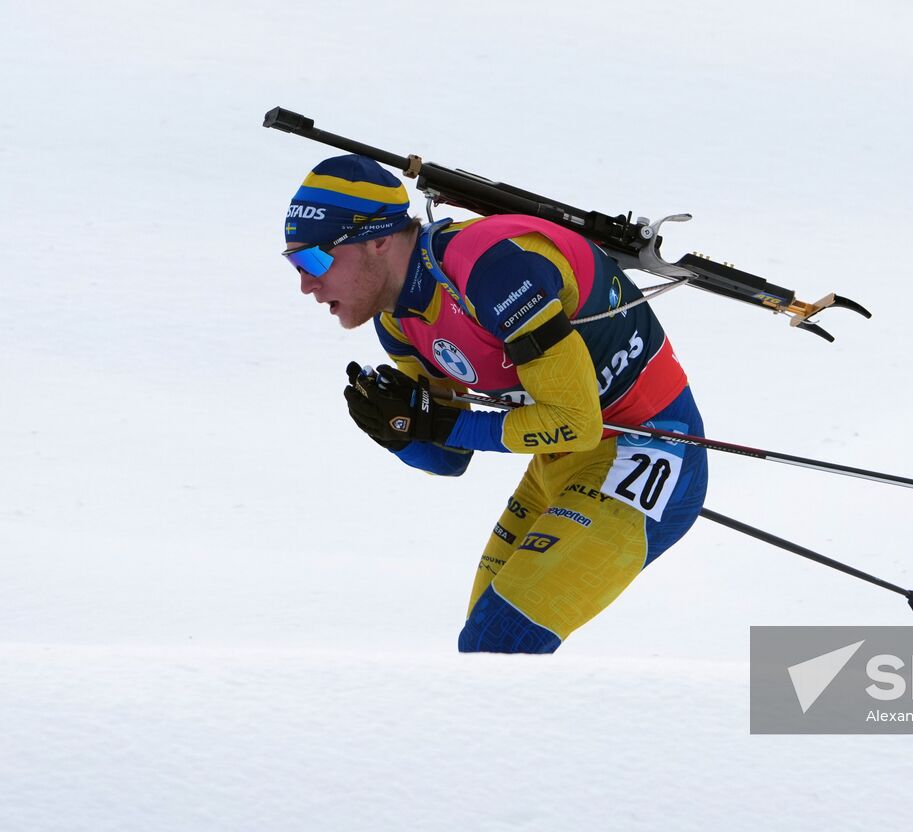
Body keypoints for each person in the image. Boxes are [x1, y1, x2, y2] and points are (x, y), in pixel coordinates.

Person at [282, 154, 708, 653]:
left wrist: (442, 424)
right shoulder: (398, 320)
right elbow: (449, 458)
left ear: (377, 240)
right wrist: (398, 431)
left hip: (651, 450)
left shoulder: (494, 270)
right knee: (483, 659)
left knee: (495, 647)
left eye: (314, 260)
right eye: (294, 263)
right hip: (556, 468)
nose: (306, 284)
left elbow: (575, 423)